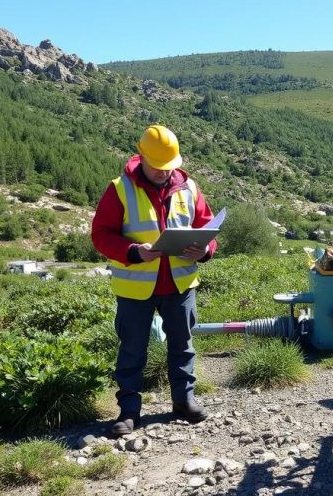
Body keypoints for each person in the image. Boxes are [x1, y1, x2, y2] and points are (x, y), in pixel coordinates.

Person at [91, 124, 218, 437]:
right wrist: (134, 251)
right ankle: (129, 411)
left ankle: (184, 400)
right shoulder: (119, 188)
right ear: (142, 157)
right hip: (136, 287)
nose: (164, 173)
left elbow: (208, 228)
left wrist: (203, 251)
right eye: (158, 167)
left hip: (180, 286)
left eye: (168, 168)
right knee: (132, 350)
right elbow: (101, 236)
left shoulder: (189, 188)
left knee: (183, 346)